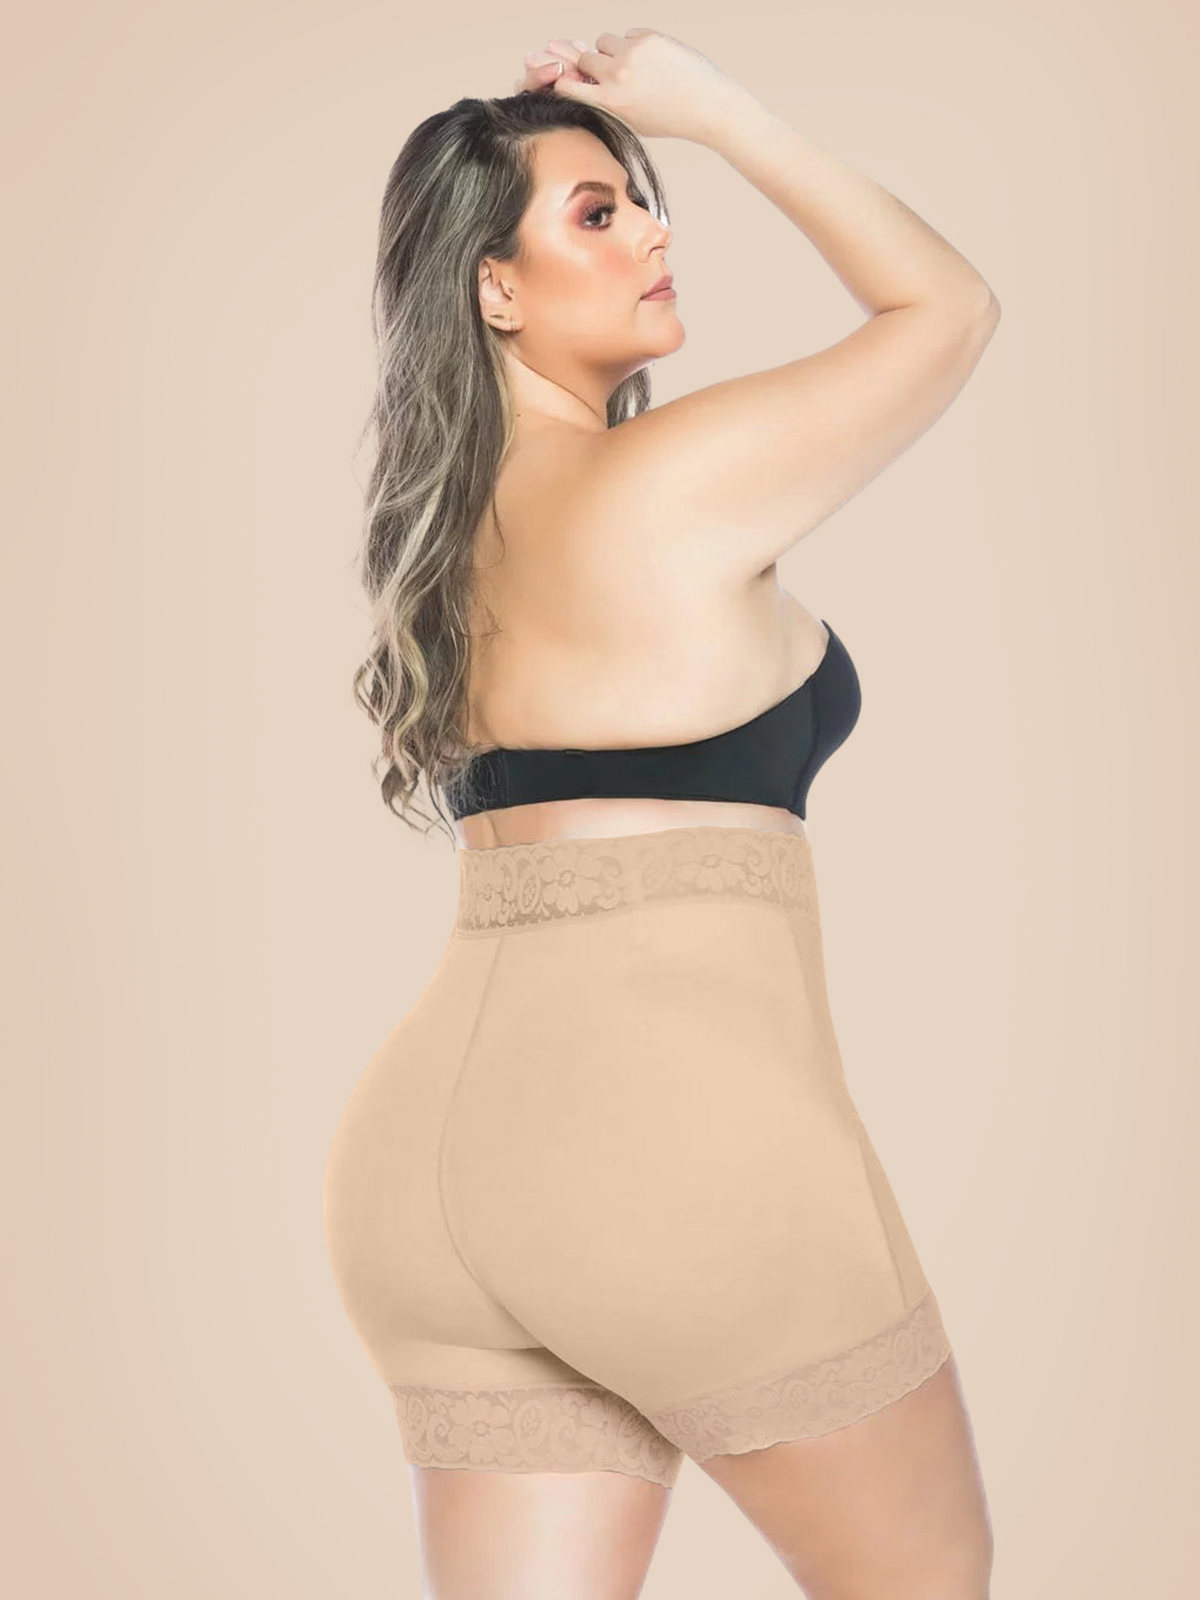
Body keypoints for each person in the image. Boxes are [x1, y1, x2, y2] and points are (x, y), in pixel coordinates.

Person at [323, 28, 999, 1598]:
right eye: (596, 212)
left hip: (425, 1180)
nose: (652, 230)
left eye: (644, 198)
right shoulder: (669, 485)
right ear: (496, 289)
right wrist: (720, 116)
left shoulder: (448, 548)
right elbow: (946, 308)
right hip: (669, 1152)